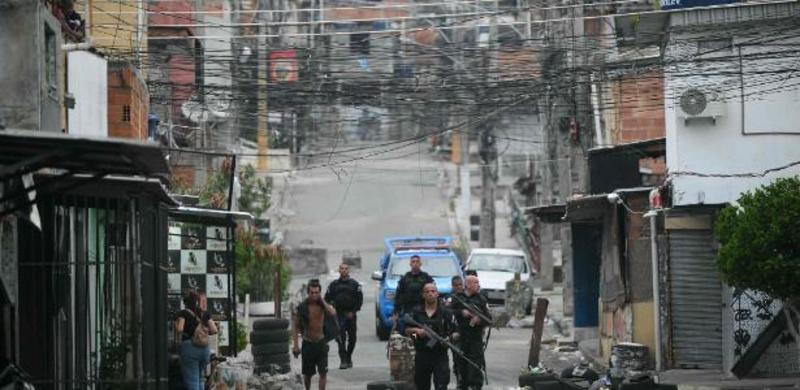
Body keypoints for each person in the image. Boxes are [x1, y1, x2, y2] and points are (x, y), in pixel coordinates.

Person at [405, 283, 458, 390]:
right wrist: (417, 331)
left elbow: (457, 331)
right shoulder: (416, 312)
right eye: (427, 292)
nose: (430, 294)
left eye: (433, 291)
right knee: (422, 385)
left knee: (441, 385)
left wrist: (449, 339)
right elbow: (406, 331)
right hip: (422, 354)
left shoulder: (446, 312)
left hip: (440, 355)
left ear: (437, 294)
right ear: (423, 295)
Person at [293, 279, 338, 390]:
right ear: (308, 293)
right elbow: (296, 326)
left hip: (321, 343)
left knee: (323, 373)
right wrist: (296, 345)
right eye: (312, 293)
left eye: (317, 292)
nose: (314, 295)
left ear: (320, 293)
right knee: (308, 374)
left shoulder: (323, 305)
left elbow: (332, 313)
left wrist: (322, 301)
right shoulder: (303, 307)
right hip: (308, 343)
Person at [452, 275, 492, 390]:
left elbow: (488, 318)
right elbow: (448, 312)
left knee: (475, 364)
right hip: (461, 336)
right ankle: (462, 384)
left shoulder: (481, 299)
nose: (478, 285)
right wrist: (461, 312)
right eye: (475, 282)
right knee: (461, 364)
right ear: (468, 285)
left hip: (475, 337)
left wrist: (480, 320)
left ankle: (476, 386)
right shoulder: (457, 298)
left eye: (478, 282)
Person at [175, 291, 218, 390]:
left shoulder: (183, 313)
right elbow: (214, 330)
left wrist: (176, 324)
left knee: (192, 381)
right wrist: (203, 333)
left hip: (190, 348)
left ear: (185, 302)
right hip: (204, 349)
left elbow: (180, 329)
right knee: (200, 378)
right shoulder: (205, 313)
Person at [324, 263, 363, 369]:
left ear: (348, 271)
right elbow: (326, 299)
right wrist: (332, 309)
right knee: (340, 338)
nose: (344, 270)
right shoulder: (333, 285)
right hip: (338, 315)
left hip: (351, 315)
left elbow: (359, 300)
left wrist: (353, 311)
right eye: (342, 269)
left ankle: (349, 356)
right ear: (339, 271)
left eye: (346, 269)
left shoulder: (355, 284)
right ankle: (343, 360)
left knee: (353, 338)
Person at [393, 255, 434, 329]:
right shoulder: (405, 278)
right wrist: (396, 312)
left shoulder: (426, 277)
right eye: (413, 261)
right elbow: (398, 295)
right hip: (408, 309)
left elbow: (433, 293)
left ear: (420, 264)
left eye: (417, 261)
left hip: (423, 309)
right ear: (410, 264)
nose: (415, 263)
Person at [444, 275, 465, 388]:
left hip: (466, 333)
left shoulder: (466, 297)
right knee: (457, 358)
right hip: (454, 333)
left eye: (460, 285)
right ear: (452, 286)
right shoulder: (449, 298)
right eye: (456, 285)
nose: (458, 287)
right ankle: (459, 380)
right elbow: (446, 312)